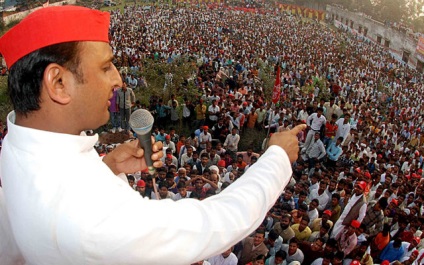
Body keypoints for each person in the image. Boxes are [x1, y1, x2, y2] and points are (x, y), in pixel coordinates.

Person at [0, 6, 305, 265]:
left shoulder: (18, 144)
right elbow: (212, 223)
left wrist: (108, 168)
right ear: (59, 83)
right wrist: (277, 158)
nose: (118, 79)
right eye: (106, 66)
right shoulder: (88, 215)